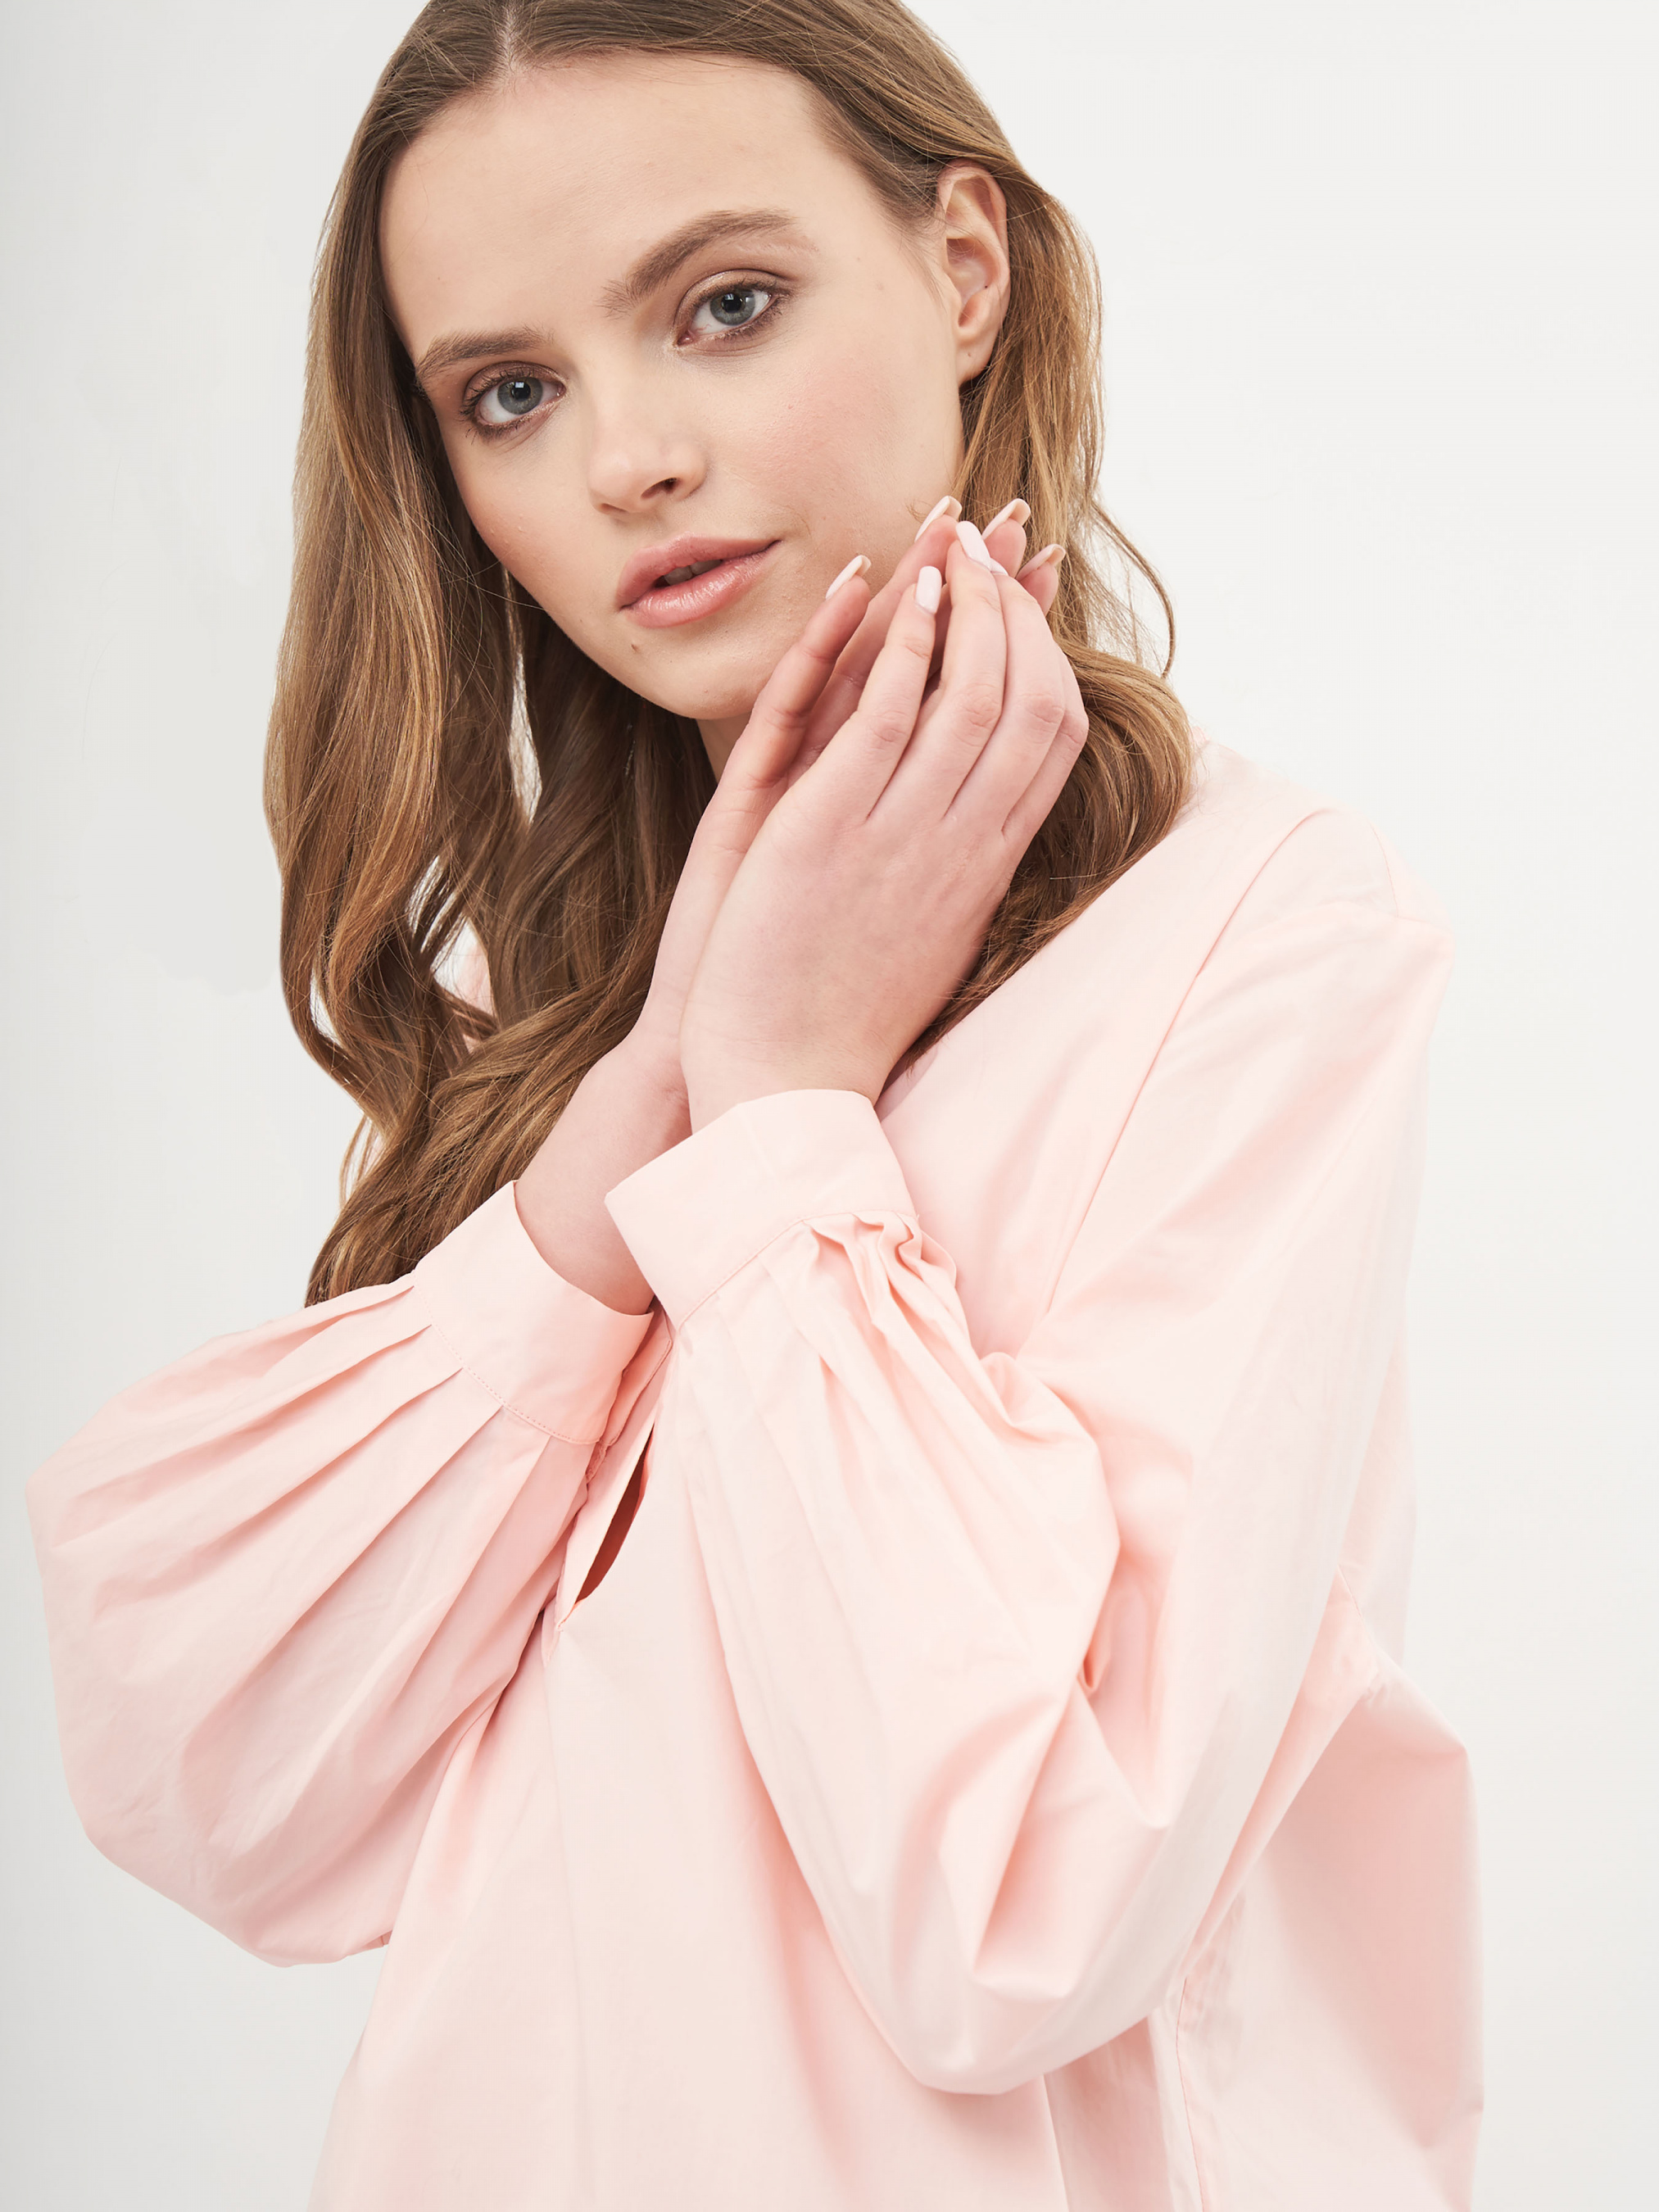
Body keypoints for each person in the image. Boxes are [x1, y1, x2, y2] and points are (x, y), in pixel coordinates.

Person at [25, 1, 1483, 2204]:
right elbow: (207, 1776)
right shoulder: (550, 1021)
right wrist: (648, 1106)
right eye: (510, 394)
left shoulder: (1259, 936)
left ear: (963, 268)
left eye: (723, 306)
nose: (625, 460)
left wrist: (787, 1116)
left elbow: (1022, 1906)